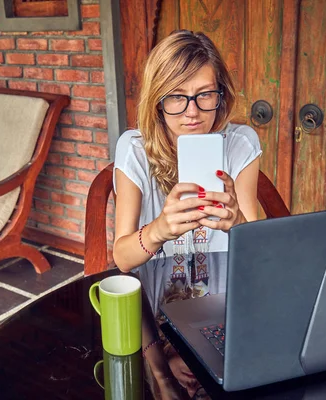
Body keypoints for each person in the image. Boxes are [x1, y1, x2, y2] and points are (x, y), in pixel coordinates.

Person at [113, 29, 262, 397]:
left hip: (226, 311)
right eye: (177, 97)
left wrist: (237, 225)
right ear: (157, 100)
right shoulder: (134, 150)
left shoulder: (240, 144)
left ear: (220, 94)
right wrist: (161, 229)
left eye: (204, 95)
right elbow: (121, 258)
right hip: (156, 314)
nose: (192, 112)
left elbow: (264, 255)